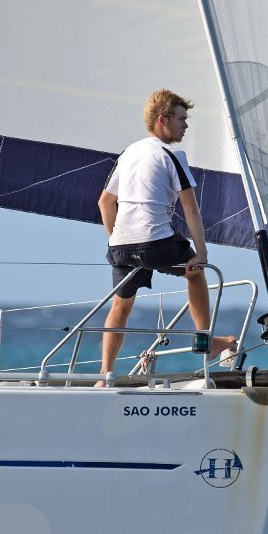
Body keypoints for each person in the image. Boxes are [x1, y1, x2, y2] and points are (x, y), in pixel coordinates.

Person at [97, 89, 235, 382]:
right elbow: (191, 209)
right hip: (156, 244)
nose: (186, 125)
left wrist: (116, 239)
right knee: (196, 273)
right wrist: (202, 253)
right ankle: (207, 343)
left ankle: (104, 374)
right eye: (181, 119)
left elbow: (105, 202)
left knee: (120, 305)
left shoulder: (128, 153)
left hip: (120, 246)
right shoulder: (173, 155)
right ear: (163, 120)